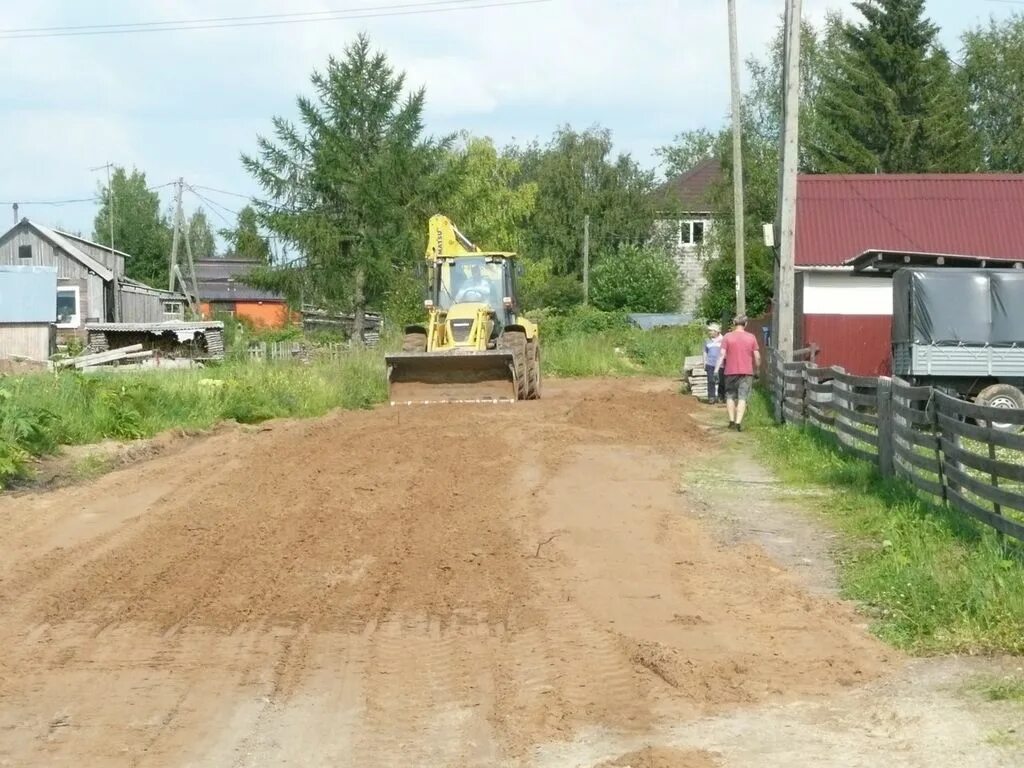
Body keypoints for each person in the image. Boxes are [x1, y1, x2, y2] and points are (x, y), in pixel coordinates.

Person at [714, 314, 761, 431]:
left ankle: (731, 421)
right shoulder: (751, 337)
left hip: (730, 372)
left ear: (734, 324)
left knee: (729, 396)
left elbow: (721, 354)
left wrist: (716, 370)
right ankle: (738, 423)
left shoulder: (727, 337)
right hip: (746, 373)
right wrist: (758, 369)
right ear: (745, 324)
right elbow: (757, 356)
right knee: (742, 397)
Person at [701, 323, 725, 405]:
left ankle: (721, 397)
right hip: (710, 364)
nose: (709, 332)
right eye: (709, 331)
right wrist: (704, 362)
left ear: (716, 331)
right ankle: (711, 397)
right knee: (711, 381)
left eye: (711, 331)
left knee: (722, 381)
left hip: (721, 364)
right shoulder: (707, 341)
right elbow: (705, 352)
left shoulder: (723, 340)